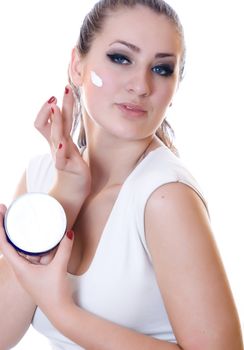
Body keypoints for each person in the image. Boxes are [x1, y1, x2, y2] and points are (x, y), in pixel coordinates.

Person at [0, 0, 243, 349]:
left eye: (161, 69)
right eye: (121, 58)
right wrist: (65, 196)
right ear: (77, 65)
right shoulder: (42, 179)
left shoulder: (163, 196)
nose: (141, 85)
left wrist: (63, 312)